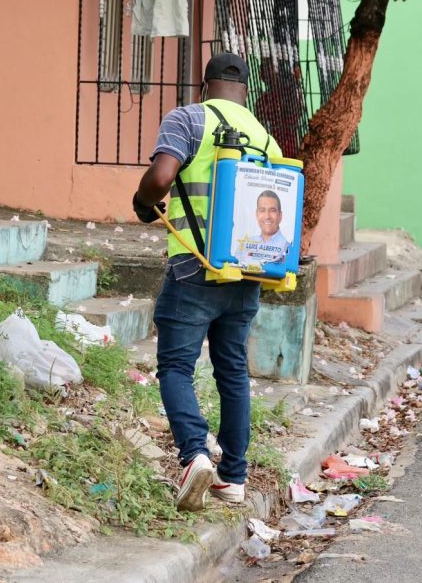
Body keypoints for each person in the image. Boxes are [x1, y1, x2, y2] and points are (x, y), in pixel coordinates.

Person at [131, 53, 283, 511]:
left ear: (205, 85)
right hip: (245, 274)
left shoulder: (189, 118)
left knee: (176, 367)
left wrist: (143, 201)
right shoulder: (266, 139)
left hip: (193, 269)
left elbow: (162, 176)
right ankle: (233, 478)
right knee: (232, 371)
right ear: (245, 91)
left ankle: (195, 453)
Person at [237, 190, 290, 266]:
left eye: (272, 210)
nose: (267, 216)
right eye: (262, 210)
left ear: (280, 215)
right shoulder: (244, 245)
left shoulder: (287, 248)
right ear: (257, 214)